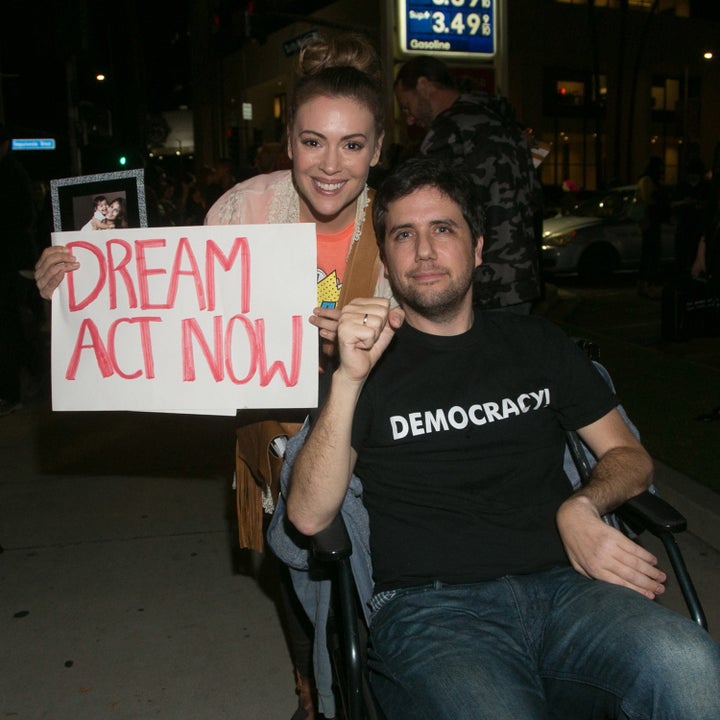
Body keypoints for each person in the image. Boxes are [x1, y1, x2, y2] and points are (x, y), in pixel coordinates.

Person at [34, 31, 390, 720]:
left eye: (352, 145)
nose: (330, 163)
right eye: (313, 141)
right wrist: (77, 292)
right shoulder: (243, 209)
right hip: (278, 428)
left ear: (377, 149)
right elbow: (173, 312)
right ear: (287, 142)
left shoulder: (403, 217)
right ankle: (309, 691)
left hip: (378, 425)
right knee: (291, 569)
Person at [286, 158, 720, 720]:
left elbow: (629, 455)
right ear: (387, 262)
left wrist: (582, 506)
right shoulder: (365, 365)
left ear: (479, 248)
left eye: (443, 229)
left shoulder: (537, 343)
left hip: (571, 591)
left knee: (691, 664)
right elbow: (308, 516)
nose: (423, 251)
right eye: (403, 234)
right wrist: (346, 379)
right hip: (432, 611)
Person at [394, 55, 542, 313]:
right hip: (522, 278)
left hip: (481, 284)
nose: (408, 119)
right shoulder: (504, 122)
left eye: (407, 107)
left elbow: (422, 204)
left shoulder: (449, 131)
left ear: (424, 86)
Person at [0, 122, 37, 415]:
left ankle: (11, 392)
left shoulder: (11, 173)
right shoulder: (12, 172)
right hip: (10, 262)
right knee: (12, 327)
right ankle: (32, 372)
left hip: (9, 264)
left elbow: (24, 216)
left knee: (9, 327)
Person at [636, 156, 670, 297]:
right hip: (650, 221)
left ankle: (646, 284)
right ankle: (648, 285)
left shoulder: (648, 180)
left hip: (651, 221)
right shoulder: (647, 181)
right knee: (651, 253)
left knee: (651, 253)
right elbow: (649, 200)